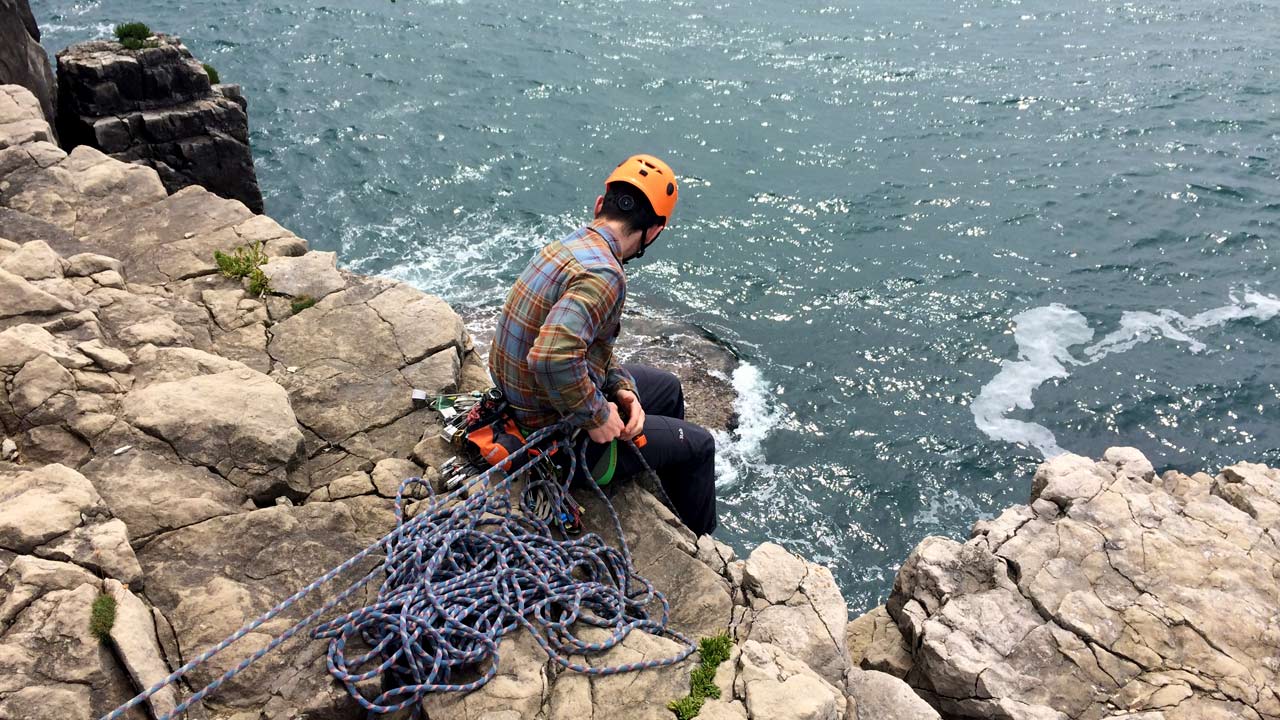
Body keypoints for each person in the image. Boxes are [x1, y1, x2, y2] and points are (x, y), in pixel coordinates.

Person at [488, 154, 717, 536]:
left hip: (520, 404)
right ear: (655, 231)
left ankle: (657, 484)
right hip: (555, 442)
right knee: (701, 446)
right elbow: (552, 357)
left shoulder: (568, 247)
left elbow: (586, 349)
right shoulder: (605, 274)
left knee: (668, 388)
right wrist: (597, 415)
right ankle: (703, 545)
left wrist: (621, 389)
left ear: (600, 206)